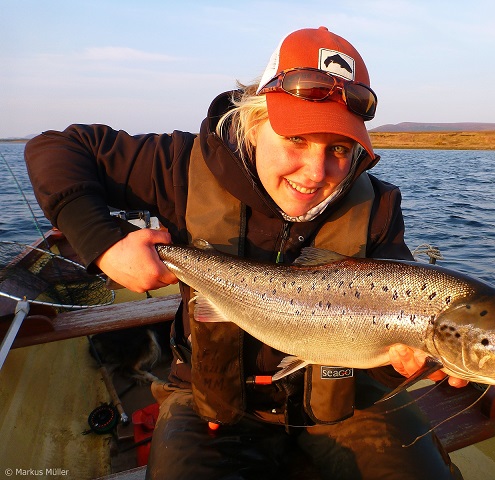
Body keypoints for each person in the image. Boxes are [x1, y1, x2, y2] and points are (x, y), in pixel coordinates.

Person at [25, 27, 466, 479]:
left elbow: (391, 358)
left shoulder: (378, 207)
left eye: (338, 148)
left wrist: (403, 367)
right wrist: (103, 242)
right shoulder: (180, 164)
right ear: (254, 120)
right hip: (209, 403)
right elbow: (57, 147)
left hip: (346, 402)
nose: (316, 173)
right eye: (296, 139)